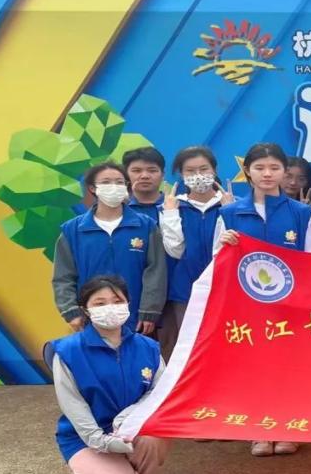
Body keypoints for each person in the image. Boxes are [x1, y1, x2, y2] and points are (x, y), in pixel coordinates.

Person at [216, 142, 311, 457]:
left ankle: (290, 426)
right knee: (254, 366)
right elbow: (217, 262)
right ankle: (259, 430)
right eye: (260, 168)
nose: (267, 174)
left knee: (291, 366)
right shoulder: (229, 214)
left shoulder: (302, 213)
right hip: (247, 306)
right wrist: (224, 245)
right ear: (247, 172)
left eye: (274, 168)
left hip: (293, 307)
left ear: (284, 172)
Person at [52, 275, 169, 474]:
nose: (110, 308)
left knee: (152, 436)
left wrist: (129, 417)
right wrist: (100, 441)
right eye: (100, 303)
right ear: (85, 309)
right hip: (86, 436)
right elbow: (73, 403)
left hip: (132, 428)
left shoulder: (148, 347)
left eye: (117, 301)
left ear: (128, 303)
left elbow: (160, 393)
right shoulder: (68, 351)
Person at [53, 162, 167, 335]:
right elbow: (63, 277)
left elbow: (156, 271)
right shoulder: (72, 230)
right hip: (91, 318)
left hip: (136, 319)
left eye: (119, 182)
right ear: (92, 188)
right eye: (106, 182)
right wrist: (71, 311)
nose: (114, 187)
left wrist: (150, 310)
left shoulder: (146, 226)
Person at [158, 145, 233, 359]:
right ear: (181, 175)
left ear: (214, 170)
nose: (198, 175)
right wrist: (170, 213)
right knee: (190, 350)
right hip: (185, 291)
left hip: (224, 289)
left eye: (204, 169)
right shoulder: (173, 207)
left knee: (226, 346)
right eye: (190, 171)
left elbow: (229, 249)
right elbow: (175, 250)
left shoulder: (231, 205)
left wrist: (230, 211)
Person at [122, 146, 166, 224]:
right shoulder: (119, 208)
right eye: (137, 171)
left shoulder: (179, 207)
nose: (145, 176)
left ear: (163, 175)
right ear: (125, 175)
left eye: (152, 171)